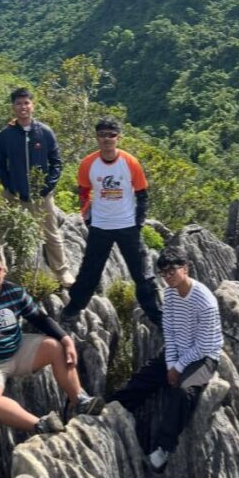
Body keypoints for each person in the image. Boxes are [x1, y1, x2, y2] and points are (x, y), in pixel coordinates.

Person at [0, 250, 104, 433]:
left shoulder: (15, 292)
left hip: (18, 351)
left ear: (4, 271)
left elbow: (39, 319)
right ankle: (41, 425)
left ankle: (80, 400)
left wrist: (66, 340)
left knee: (55, 347)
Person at [111, 247, 223, 471]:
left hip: (204, 357)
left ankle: (164, 448)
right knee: (143, 379)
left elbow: (203, 345)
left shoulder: (205, 301)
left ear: (185, 268)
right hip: (177, 351)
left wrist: (178, 368)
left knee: (182, 392)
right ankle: (115, 409)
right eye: (164, 273)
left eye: (172, 271)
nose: (168, 277)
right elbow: (170, 332)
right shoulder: (170, 294)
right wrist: (172, 365)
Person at [61, 118, 162, 327]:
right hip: (101, 226)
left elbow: (142, 194)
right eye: (102, 135)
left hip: (127, 226)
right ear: (97, 138)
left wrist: (138, 222)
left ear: (118, 138)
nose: (107, 139)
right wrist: (88, 218)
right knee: (90, 271)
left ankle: (156, 314)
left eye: (111, 135)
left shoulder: (130, 162)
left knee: (142, 274)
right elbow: (84, 192)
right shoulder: (88, 163)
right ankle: (74, 308)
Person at [0, 87, 73, 287]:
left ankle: (62, 271)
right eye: (18, 103)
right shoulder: (6, 135)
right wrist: (9, 185)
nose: (23, 107)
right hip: (13, 193)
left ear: (32, 105)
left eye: (26, 103)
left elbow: (56, 162)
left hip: (40, 194)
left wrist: (47, 186)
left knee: (51, 232)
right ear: (13, 107)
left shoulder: (44, 132)